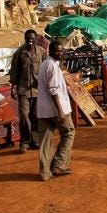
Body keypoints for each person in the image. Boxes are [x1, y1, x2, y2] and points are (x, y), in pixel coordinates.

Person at [36, 40, 75, 181]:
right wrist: (60, 111)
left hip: (43, 110)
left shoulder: (45, 65)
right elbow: (53, 90)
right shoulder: (52, 66)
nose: (60, 53)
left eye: (62, 50)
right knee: (68, 132)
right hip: (56, 109)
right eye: (58, 51)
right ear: (50, 51)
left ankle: (45, 172)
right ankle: (59, 164)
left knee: (45, 141)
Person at [9, 29, 45, 153]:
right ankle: (24, 142)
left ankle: (35, 140)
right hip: (23, 89)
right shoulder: (20, 53)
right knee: (24, 116)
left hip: (37, 89)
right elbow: (14, 71)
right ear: (25, 38)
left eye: (32, 38)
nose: (30, 41)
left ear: (36, 39)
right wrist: (13, 87)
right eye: (28, 38)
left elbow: (46, 68)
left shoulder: (41, 52)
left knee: (35, 115)